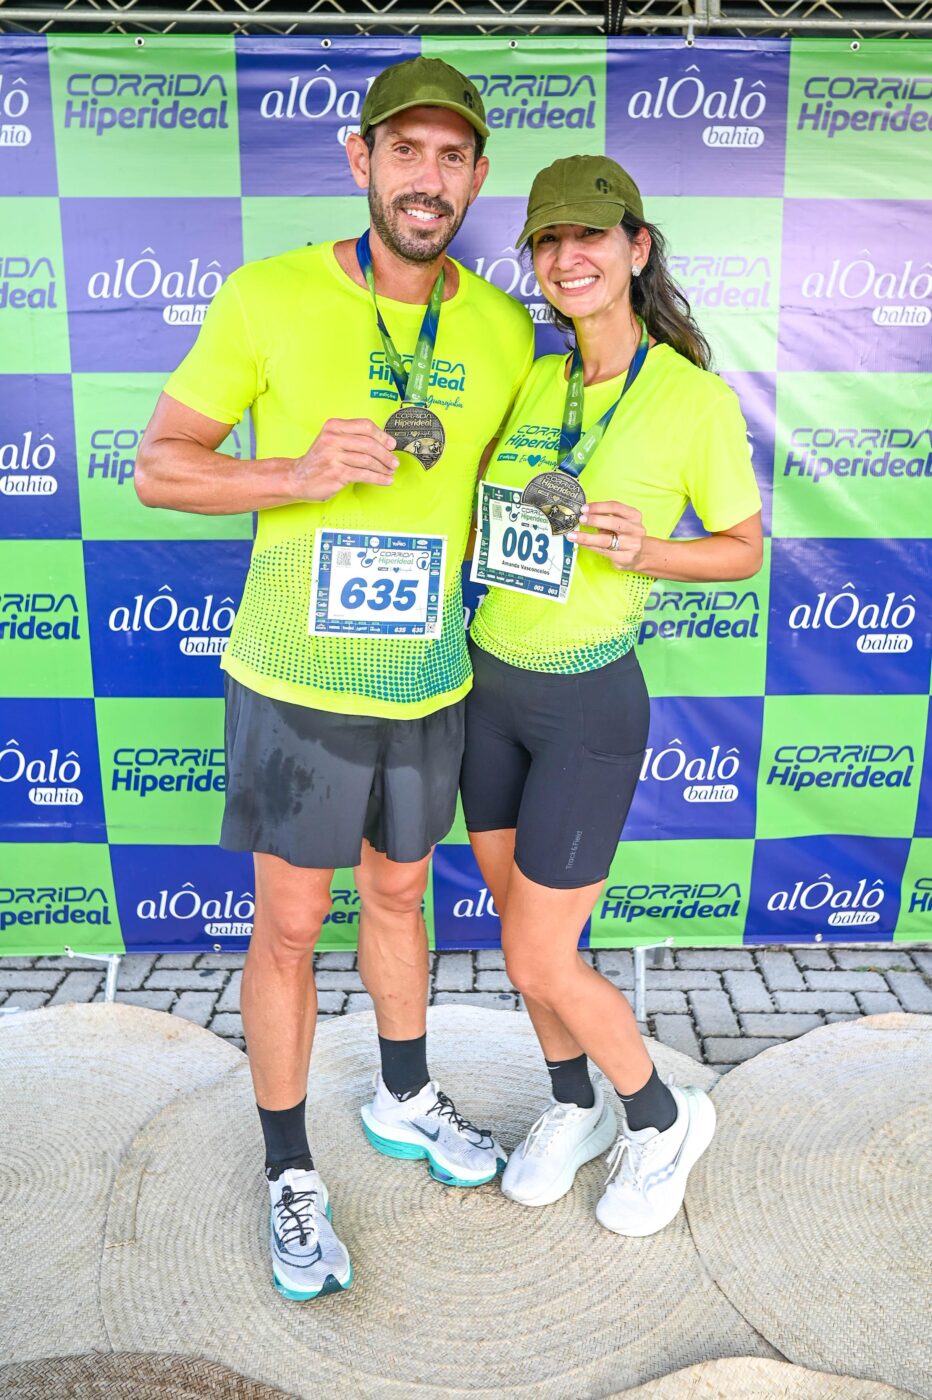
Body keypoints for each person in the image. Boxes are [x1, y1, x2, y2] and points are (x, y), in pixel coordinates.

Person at [135, 56, 534, 1300]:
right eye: (404, 151)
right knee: (294, 923)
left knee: (402, 896)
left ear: (474, 177)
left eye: (451, 155)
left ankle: (405, 1094)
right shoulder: (266, 295)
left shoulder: (502, 326)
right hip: (296, 678)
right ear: (359, 161)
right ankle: (288, 1167)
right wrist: (294, 474)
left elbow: (509, 490)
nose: (428, 177)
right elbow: (160, 466)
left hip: (426, 679)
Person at [461, 155, 763, 1235]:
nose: (565, 257)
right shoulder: (531, 380)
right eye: (546, 240)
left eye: (588, 236)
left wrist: (650, 551)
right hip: (483, 684)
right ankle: (574, 1103)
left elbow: (740, 550)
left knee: (540, 951)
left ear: (636, 249)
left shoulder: (692, 398)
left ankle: (659, 1115)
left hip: (585, 706)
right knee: (518, 931)